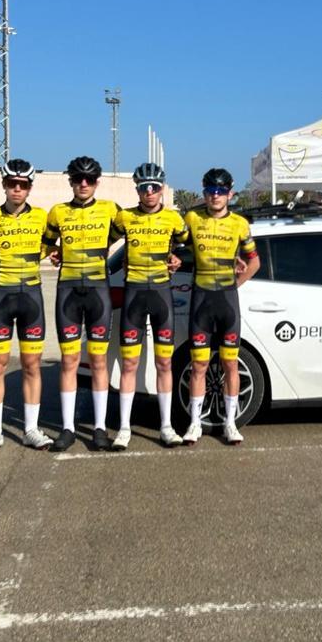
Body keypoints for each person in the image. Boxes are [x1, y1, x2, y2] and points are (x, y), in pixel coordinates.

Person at [43, 156, 121, 452]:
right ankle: (67, 428)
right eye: (78, 179)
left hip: (99, 291)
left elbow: (139, 228)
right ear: (71, 182)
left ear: (97, 182)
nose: (83, 184)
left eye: (89, 179)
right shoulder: (57, 212)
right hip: (69, 293)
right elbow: (48, 243)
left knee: (99, 361)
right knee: (69, 361)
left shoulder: (111, 210)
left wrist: (173, 253)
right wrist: (53, 252)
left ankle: (99, 428)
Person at [110, 162, 189, 450]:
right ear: (138, 189)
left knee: (164, 362)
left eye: (155, 187)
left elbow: (186, 244)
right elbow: (101, 243)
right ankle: (124, 428)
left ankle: (166, 426)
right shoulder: (125, 218)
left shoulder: (173, 219)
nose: (150, 192)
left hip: (161, 295)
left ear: (162, 188)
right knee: (129, 364)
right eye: (144, 187)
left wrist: (178, 259)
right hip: (133, 294)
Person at [0, 158, 53, 452]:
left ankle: (31, 429)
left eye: (23, 185)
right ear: (4, 186)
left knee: (31, 364)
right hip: (1, 297)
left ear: (30, 188)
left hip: (31, 297)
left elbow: (56, 243)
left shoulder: (42, 217)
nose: (17, 190)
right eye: (12, 184)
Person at [182, 168, 259, 445]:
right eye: (210, 191)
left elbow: (254, 262)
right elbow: (174, 245)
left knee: (229, 364)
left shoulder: (240, 223)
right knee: (199, 364)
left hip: (226, 300)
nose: (215, 196)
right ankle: (194, 424)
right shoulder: (192, 217)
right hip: (201, 299)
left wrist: (235, 283)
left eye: (220, 191)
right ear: (204, 192)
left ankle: (230, 423)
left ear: (230, 193)